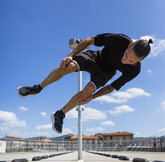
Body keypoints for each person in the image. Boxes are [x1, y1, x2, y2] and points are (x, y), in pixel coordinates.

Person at [17, 33, 153, 134]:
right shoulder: (121, 40)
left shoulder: (134, 71)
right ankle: (37, 88)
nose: (125, 60)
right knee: (68, 66)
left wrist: (93, 97)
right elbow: (90, 40)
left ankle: (60, 115)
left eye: (130, 61)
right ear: (129, 45)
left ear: (140, 60)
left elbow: (112, 87)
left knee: (88, 91)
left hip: (106, 72)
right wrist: (71, 55)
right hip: (94, 57)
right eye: (126, 55)